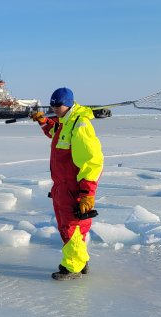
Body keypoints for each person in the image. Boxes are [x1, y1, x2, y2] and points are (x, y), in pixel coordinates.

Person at [30, 87, 104, 280]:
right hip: (62, 187)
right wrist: (43, 121)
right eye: (52, 104)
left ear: (69, 103)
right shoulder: (65, 122)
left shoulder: (80, 125)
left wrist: (88, 193)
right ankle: (81, 261)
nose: (54, 108)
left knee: (71, 228)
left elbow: (92, 161)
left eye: (58, 105)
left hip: (73, 188)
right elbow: (55, 131)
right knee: (72, 227)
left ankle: (72, 267)